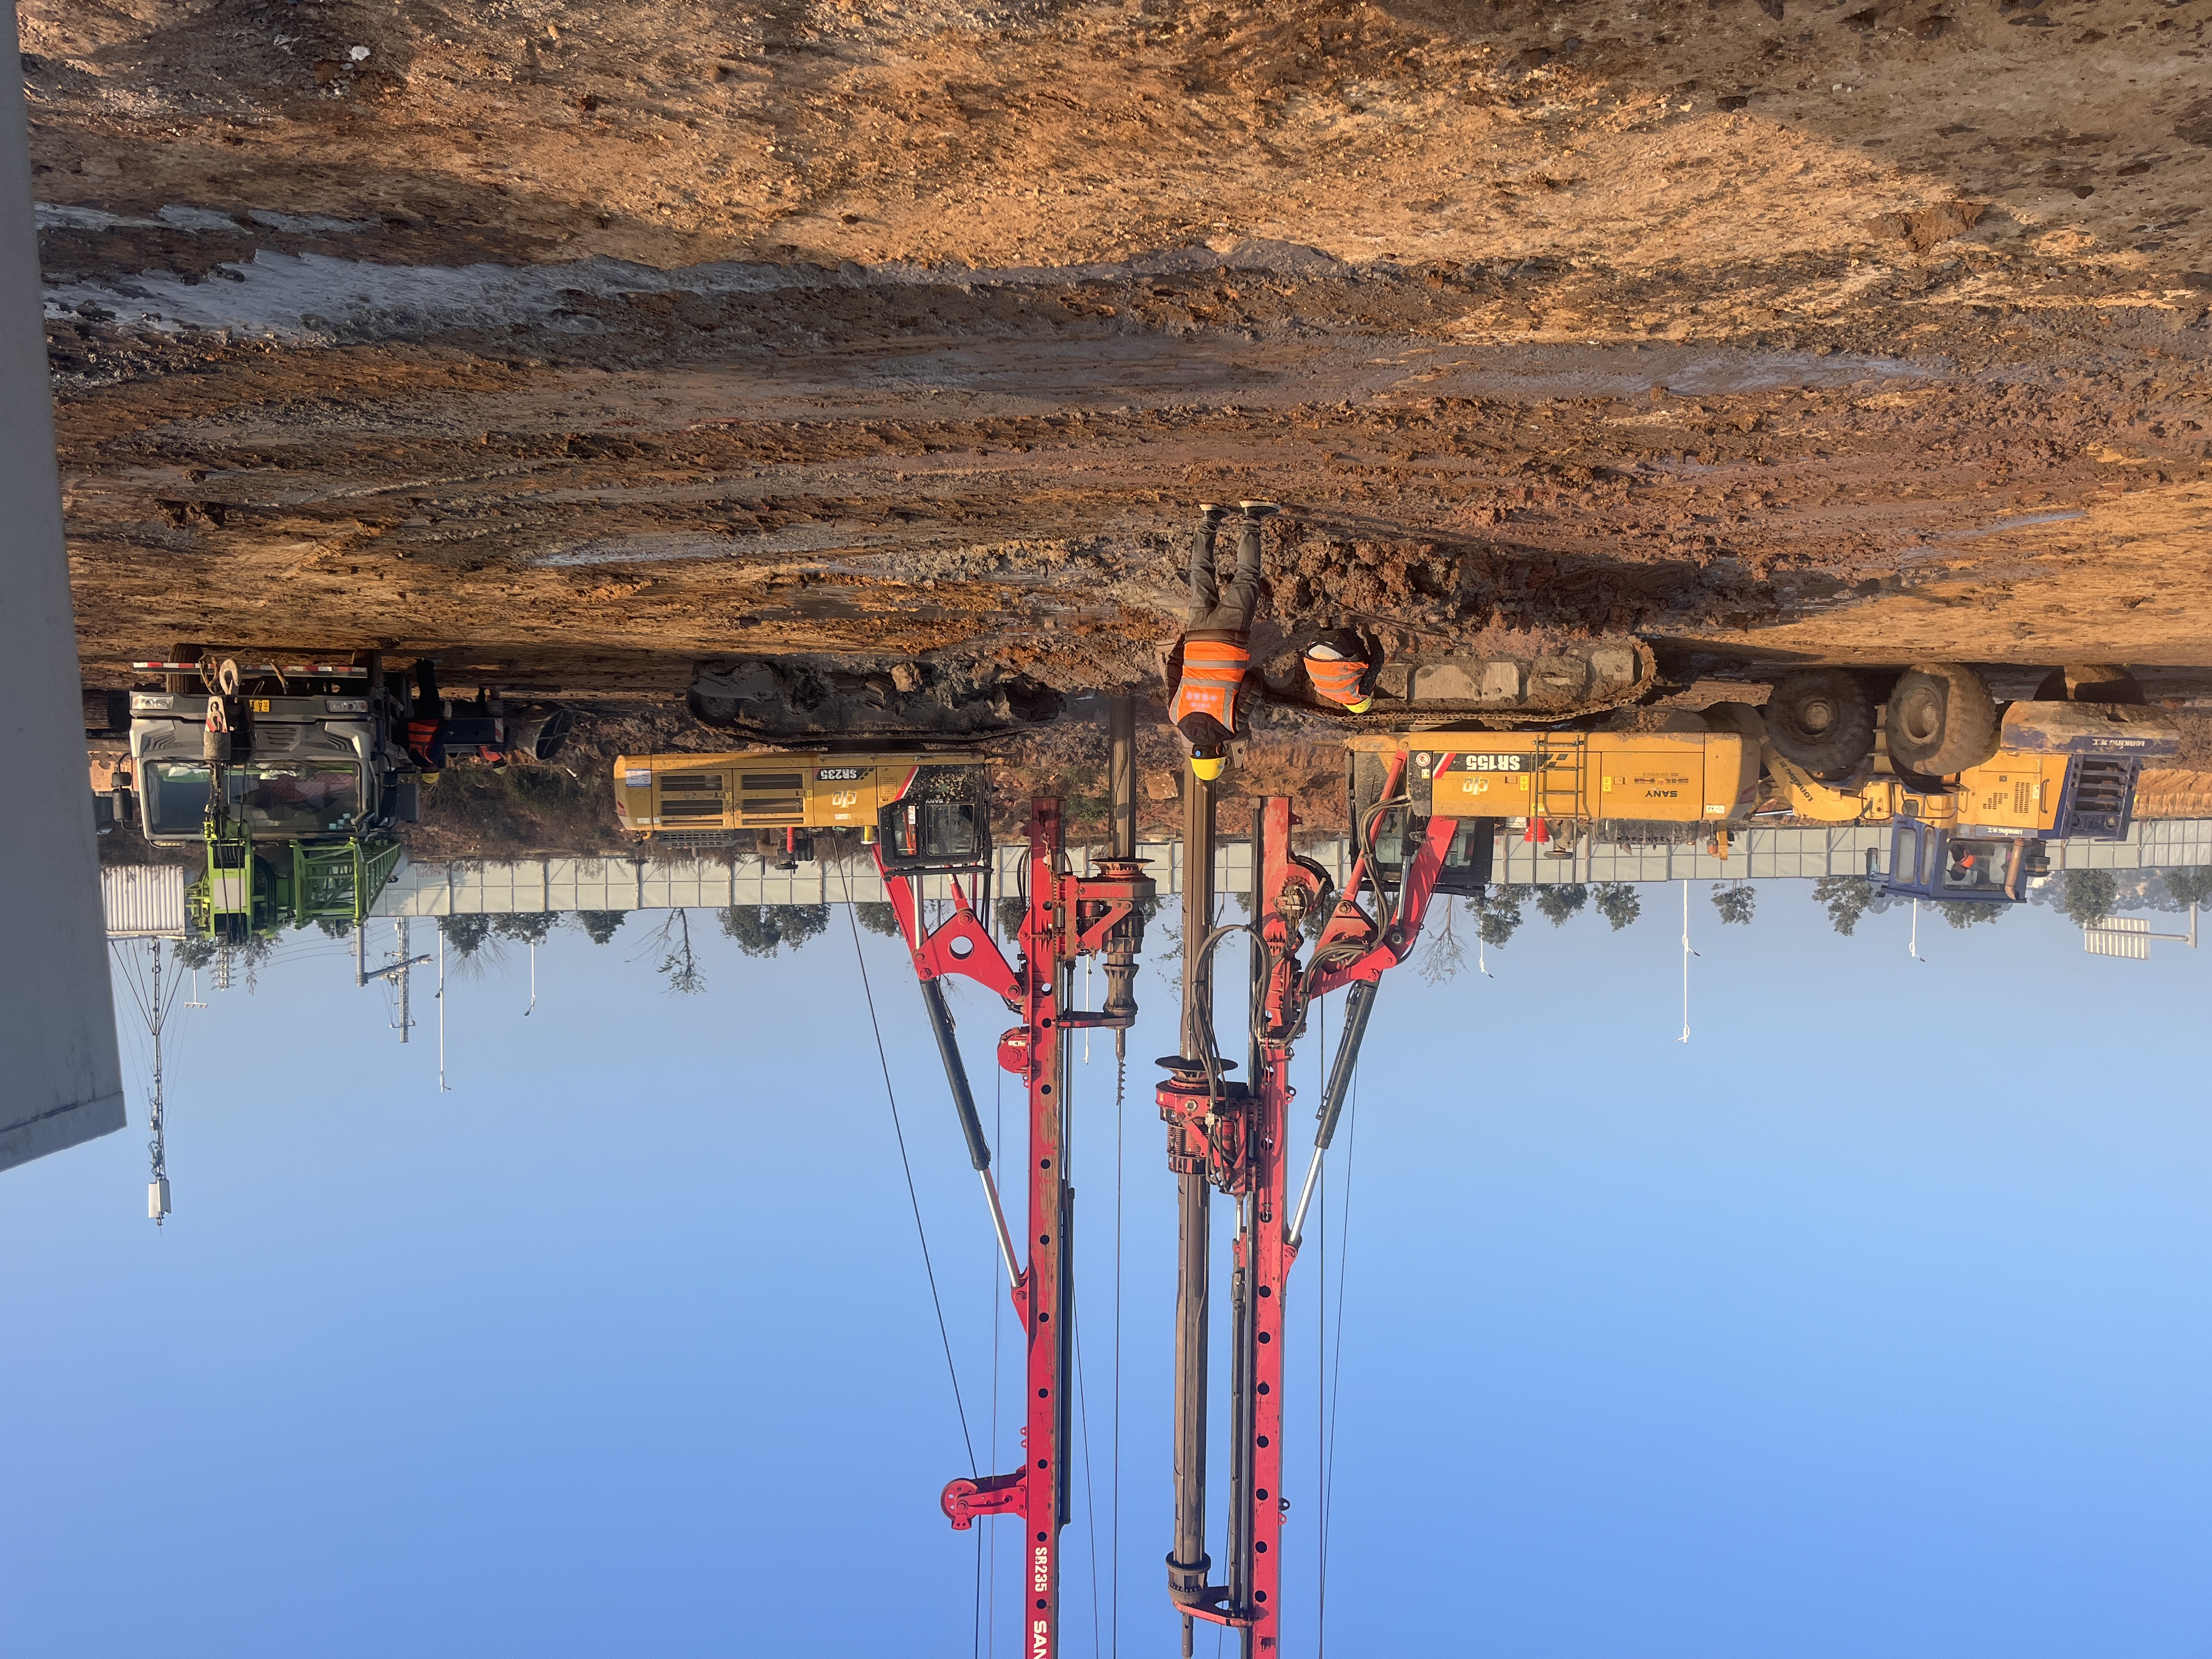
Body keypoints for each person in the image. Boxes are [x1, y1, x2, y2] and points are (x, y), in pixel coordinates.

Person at [1166, 500, 1277, 781]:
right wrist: (1188, 641)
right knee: (1201, 576)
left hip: (1230, 636)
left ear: (1220, 751)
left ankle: (1253, 517)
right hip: (1196, 634)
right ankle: (1209, 519)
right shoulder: (1176, 717)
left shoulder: (1230, 727)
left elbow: (1254, 684)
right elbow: (1173, 670)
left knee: (1248, 577)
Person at [1301, 626, 1380, 714]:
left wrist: (1369, 635)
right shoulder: (1329, 693)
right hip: (1313, 647)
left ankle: (1348, 626)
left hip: (1338, 646)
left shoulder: (1361, 694)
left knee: (1365, 663)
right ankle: (1326, 627)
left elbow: (1377, 660)